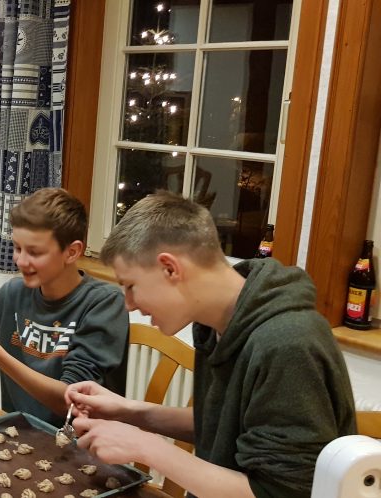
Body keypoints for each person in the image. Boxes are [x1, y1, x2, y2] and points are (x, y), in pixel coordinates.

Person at [65, 192, 356, 497]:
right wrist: (127, 411)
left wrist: (147, 447)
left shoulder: (287, 342)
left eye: (131, 286)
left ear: (170, 268)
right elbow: (221, 424)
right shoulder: (215, 322)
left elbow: (277, 492)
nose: (128, 304)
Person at [0, 188, 129, 426]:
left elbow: (71, 403)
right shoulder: (13, 293)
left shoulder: (104, 303)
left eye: (34, 252)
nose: (21, 261)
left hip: (84, 441)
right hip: (21, 433)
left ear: (72, 252)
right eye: (17, 248)